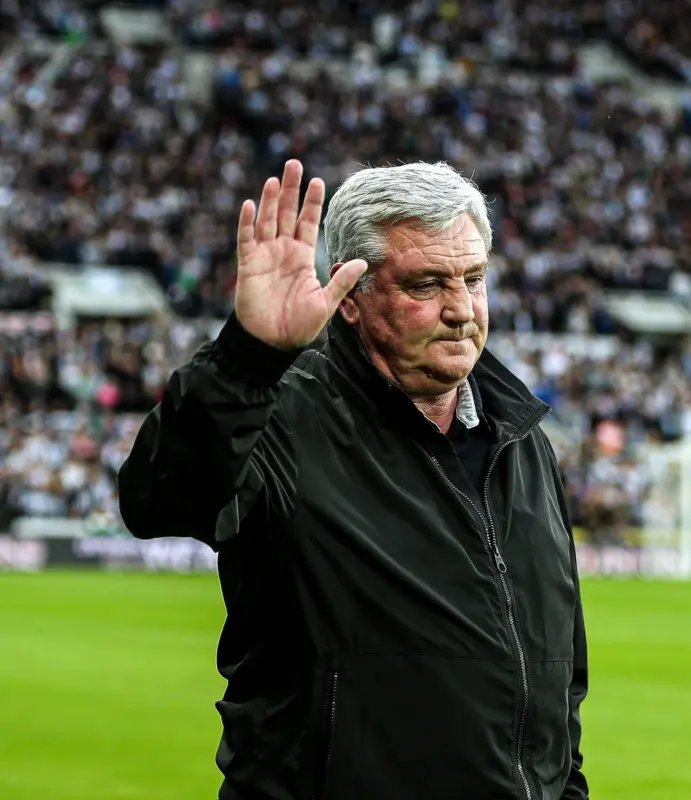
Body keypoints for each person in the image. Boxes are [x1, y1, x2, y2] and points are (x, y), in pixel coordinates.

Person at [118, 160, 590, 800]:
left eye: (474, 279)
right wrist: (247, 357)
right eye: (425, 285)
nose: (461, 310)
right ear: (351, 297)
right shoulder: (285, 416)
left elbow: (558, 685)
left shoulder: (523, 441)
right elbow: (160, 500)